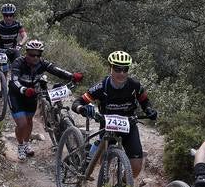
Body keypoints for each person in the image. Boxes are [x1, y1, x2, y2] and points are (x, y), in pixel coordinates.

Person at [71, 50, 157, 179]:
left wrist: (149, 110)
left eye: (125, 69)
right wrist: (81, 109)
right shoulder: (101, 87)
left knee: (136, 166)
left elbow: (145, 101)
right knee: (100, 160)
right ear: (110, 68)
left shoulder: (134, 86)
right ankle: (89, 158)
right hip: (107, 124)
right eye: (117, 69)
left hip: (129, 125)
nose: (121, 73)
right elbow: (78, 102)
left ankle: (121, 186)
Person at [8, 39, 83, 161]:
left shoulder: (42, 63)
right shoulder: (18, 63)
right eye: (32, 54)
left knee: (29, 121)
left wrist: (72, 75)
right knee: (22, 124)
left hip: (32, 94)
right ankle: (20, 145)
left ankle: (27, 144)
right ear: (26, 53)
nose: (35, 57)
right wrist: (23, 89)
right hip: (17, 95)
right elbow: (14, 81)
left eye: (38, 54)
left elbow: (56, 70)